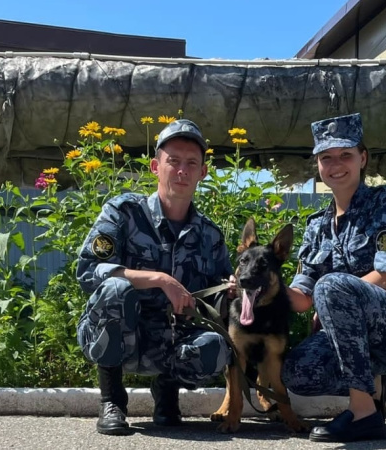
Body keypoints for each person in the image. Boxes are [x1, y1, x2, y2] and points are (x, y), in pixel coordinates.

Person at [281, 113, 386, 443]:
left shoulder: (385, 201)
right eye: (326, 157)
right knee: (296, 372)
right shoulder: (316, 226)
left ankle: (364, 414)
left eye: (345, 155)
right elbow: (301, 298)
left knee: (331, 285)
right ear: (318, 164)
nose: (336, 164)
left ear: (362, 158)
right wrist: (256, 288)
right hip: (359, 339)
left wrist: (331, 299)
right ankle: (375, 385)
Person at [76, 119, 234, 436]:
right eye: (173, 161)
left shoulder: (209, 235)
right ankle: (112, 401)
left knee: (216, 347)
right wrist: (160, 279)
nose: (182, 171)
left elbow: (220, 291)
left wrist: (232, 291)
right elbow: (89, 271)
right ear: (154, 166)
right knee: (116, 288)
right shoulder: (122, 213)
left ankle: (167, 393)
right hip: (119, 334)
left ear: (203, 173)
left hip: (170, 343)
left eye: (192, 164)